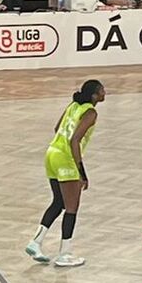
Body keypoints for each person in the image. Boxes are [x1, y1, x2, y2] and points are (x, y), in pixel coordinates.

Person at [25, 79, 104, 268]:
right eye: (102, 91)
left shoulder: (73, 106)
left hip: (52, 153)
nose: (104, 93)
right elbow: (75, 140)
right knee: (72, 208)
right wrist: (81, 172)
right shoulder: (91, 112)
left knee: (58, 202)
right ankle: (64, 253)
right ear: (94, 95)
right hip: (65, 159)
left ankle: (35, 242)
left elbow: (57, 128)